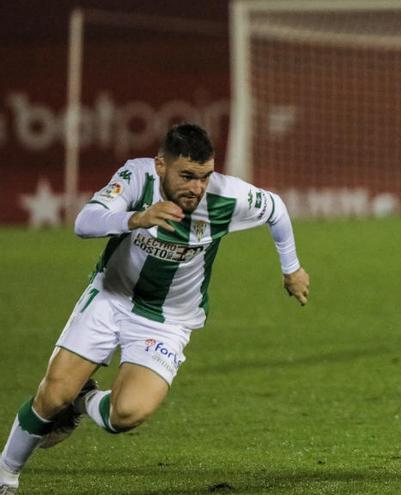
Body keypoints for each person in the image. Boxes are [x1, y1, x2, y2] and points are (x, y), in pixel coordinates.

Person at [0, 123, 310, 494]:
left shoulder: (228, 196)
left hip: (167, 321)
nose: (197, 187)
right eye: (187, 176)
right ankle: (5, 477)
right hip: (111, 298)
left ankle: (81, 402)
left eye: (204, 177)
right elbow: (84, 223)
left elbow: (276, 209)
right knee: (51, 397)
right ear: (161, 165)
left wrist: (291, 268)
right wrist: (136, 218)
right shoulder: (136, 176)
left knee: (127, 414)